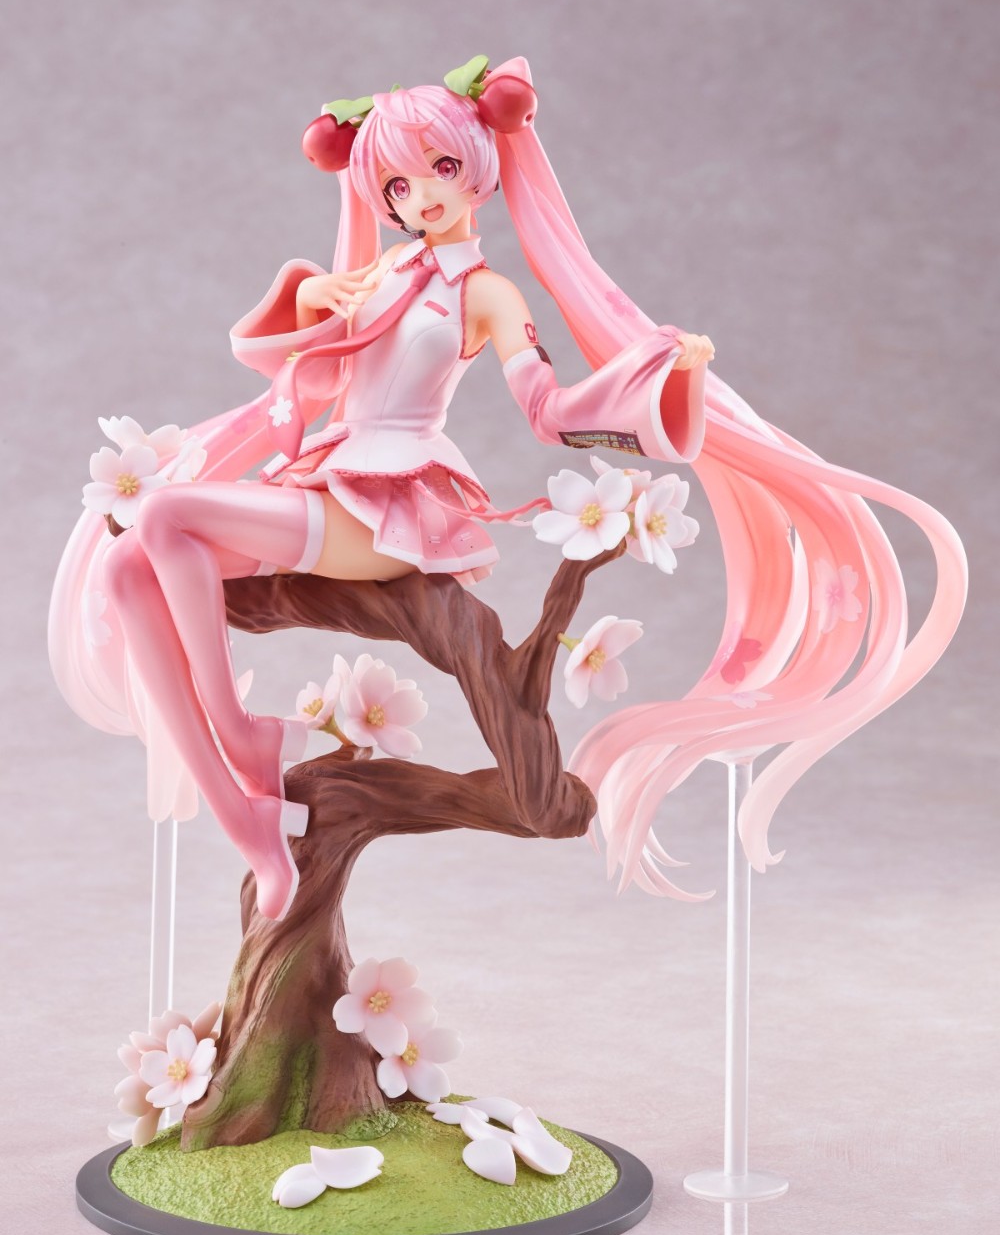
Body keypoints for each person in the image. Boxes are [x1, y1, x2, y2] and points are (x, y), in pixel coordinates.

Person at [49, 56, 966, 921]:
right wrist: (312, 300)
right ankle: (249, 821)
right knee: (129, 567)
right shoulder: (380, 273)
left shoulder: (486, 295)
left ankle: (241, 734)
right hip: (323, 480)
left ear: (478, 168)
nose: (419, 197)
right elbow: (287, 371)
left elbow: (549, 410)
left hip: (380, 513)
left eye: (440, 169)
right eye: (396, 186)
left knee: (164, 513)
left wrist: (661, 380)